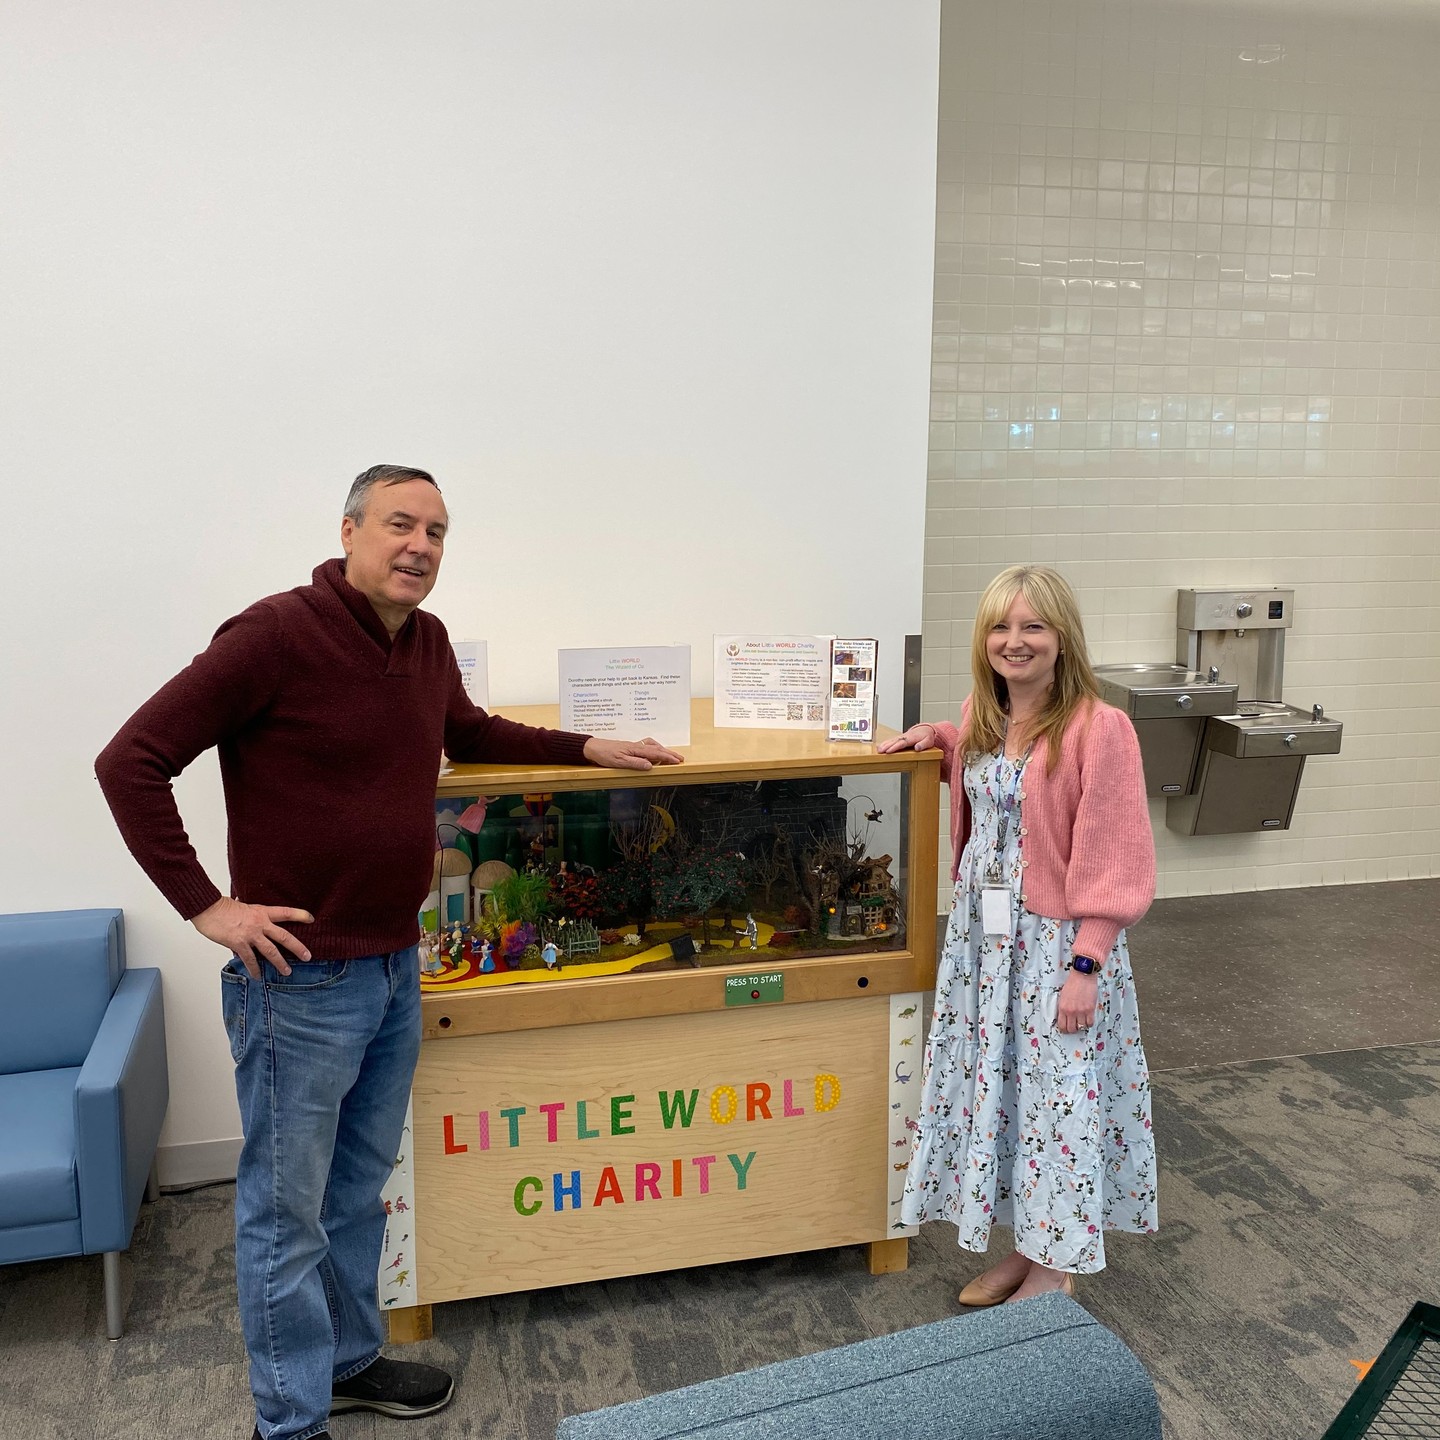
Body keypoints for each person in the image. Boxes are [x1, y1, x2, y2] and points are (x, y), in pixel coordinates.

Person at [95, 464, 682, 1440]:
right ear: (349, 530)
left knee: (356, 1196)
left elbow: (470, 731)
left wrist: (587, 749)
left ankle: (348, 1363)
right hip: (298, 982)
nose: (420, 546)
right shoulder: (272, 636)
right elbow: (130, 761)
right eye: (400, 524)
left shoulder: (427, 640)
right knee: (285, 1214)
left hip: (392, 967)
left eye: (437, 532)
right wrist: (208, 908)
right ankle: (290, 1421)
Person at [878, 564, 1156, 1305]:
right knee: (1006, 1098)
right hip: (983, 947)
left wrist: (1086, 964)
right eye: (1001, 626)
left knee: (1057, 1101)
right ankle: (1028, 1247)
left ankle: (1055, 1266)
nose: (1015, 641)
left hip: (1055, 948)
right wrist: (936, 739)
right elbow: (990, 770)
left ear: (1063, 637)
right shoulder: (985, 714)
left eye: (1033, 626)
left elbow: (1119, 856)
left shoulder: (1101, 729)